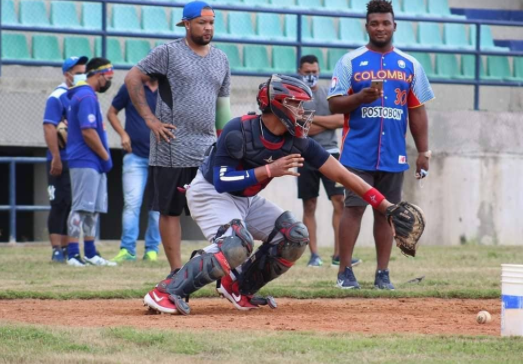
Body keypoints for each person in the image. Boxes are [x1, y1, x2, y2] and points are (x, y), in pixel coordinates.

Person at [142, 74, 421, 316]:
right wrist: (269, 170)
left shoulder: (297, 140)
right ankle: (166, 292)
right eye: (297, 104)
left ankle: (238, 287)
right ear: (278, 105)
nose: (303, 111)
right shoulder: (238, 130)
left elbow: (343, 175)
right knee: (237, 243)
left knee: (294, 235)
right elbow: (222, 180)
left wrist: (386, 207)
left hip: (245, 199)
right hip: (210, 193)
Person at [328, 0, 433, 290]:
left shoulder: (411, 65)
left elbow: (417, 111)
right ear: (367, 26)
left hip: (393, 154)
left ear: (394, 26)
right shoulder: (350, 61)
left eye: (385, 22)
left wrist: (424, 152)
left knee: (388, 212)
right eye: (375, 23)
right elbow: (335, 103)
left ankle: (382, 274)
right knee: (353, 208)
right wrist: (360, 98)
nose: (380, 28)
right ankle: (345, 272)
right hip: (357, 152)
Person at [124, 0, 231, 272]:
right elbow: (132, 78)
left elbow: (223, 108)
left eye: (211, 22)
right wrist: (150, 120)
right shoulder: (168, 53)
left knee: (220, 209)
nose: (208, 28)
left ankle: (223, 269)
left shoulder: (221, 59)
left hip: (208, 149)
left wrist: (227, 143)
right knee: (169, 211)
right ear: (186, 23)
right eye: (201, 22)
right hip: (171, 147)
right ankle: (175, 272)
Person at [296, 55, 361, 268]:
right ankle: (314, 254)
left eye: (314, 71)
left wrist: (310, 119)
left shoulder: (328, 94)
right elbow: (299, 128)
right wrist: (326, 123)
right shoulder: (296, 97)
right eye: (307, 72)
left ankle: (338, 254)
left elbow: (341, 120)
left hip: (331, 153)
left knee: (339, 201)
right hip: (304, 154)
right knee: (309, 204)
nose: (311, 76)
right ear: (299, 72)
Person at [65, 57, 117, 267]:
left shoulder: (89, 95)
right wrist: (105, 156)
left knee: (93, 209)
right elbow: (88, 132)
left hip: (93, 161)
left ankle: (90, 252)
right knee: (80, 208)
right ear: (98, 75)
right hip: (85, 160)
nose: (109, 81)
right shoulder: (85, 95)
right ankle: (72, 254)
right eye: (108, 77)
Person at [107, 80, 162, 262]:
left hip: (161, 157)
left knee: (157, 207)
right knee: (132, 204)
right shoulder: (131, 87)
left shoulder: (169, 88)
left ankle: (152, 250)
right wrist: (123, 135)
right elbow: (112, 113)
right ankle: (127, 250)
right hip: (135, 156)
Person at [43, 56, 88, 263]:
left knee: (72, 203)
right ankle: (56, 250)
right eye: (78, 72)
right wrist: (55, 157)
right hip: (62, 157)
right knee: (59, 203)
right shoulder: (58, 96)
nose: (82, 76)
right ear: (67, 74)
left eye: (83, 72)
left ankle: (69, 248)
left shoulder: (80, 95)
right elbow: (49, 126)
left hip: (77, 158)